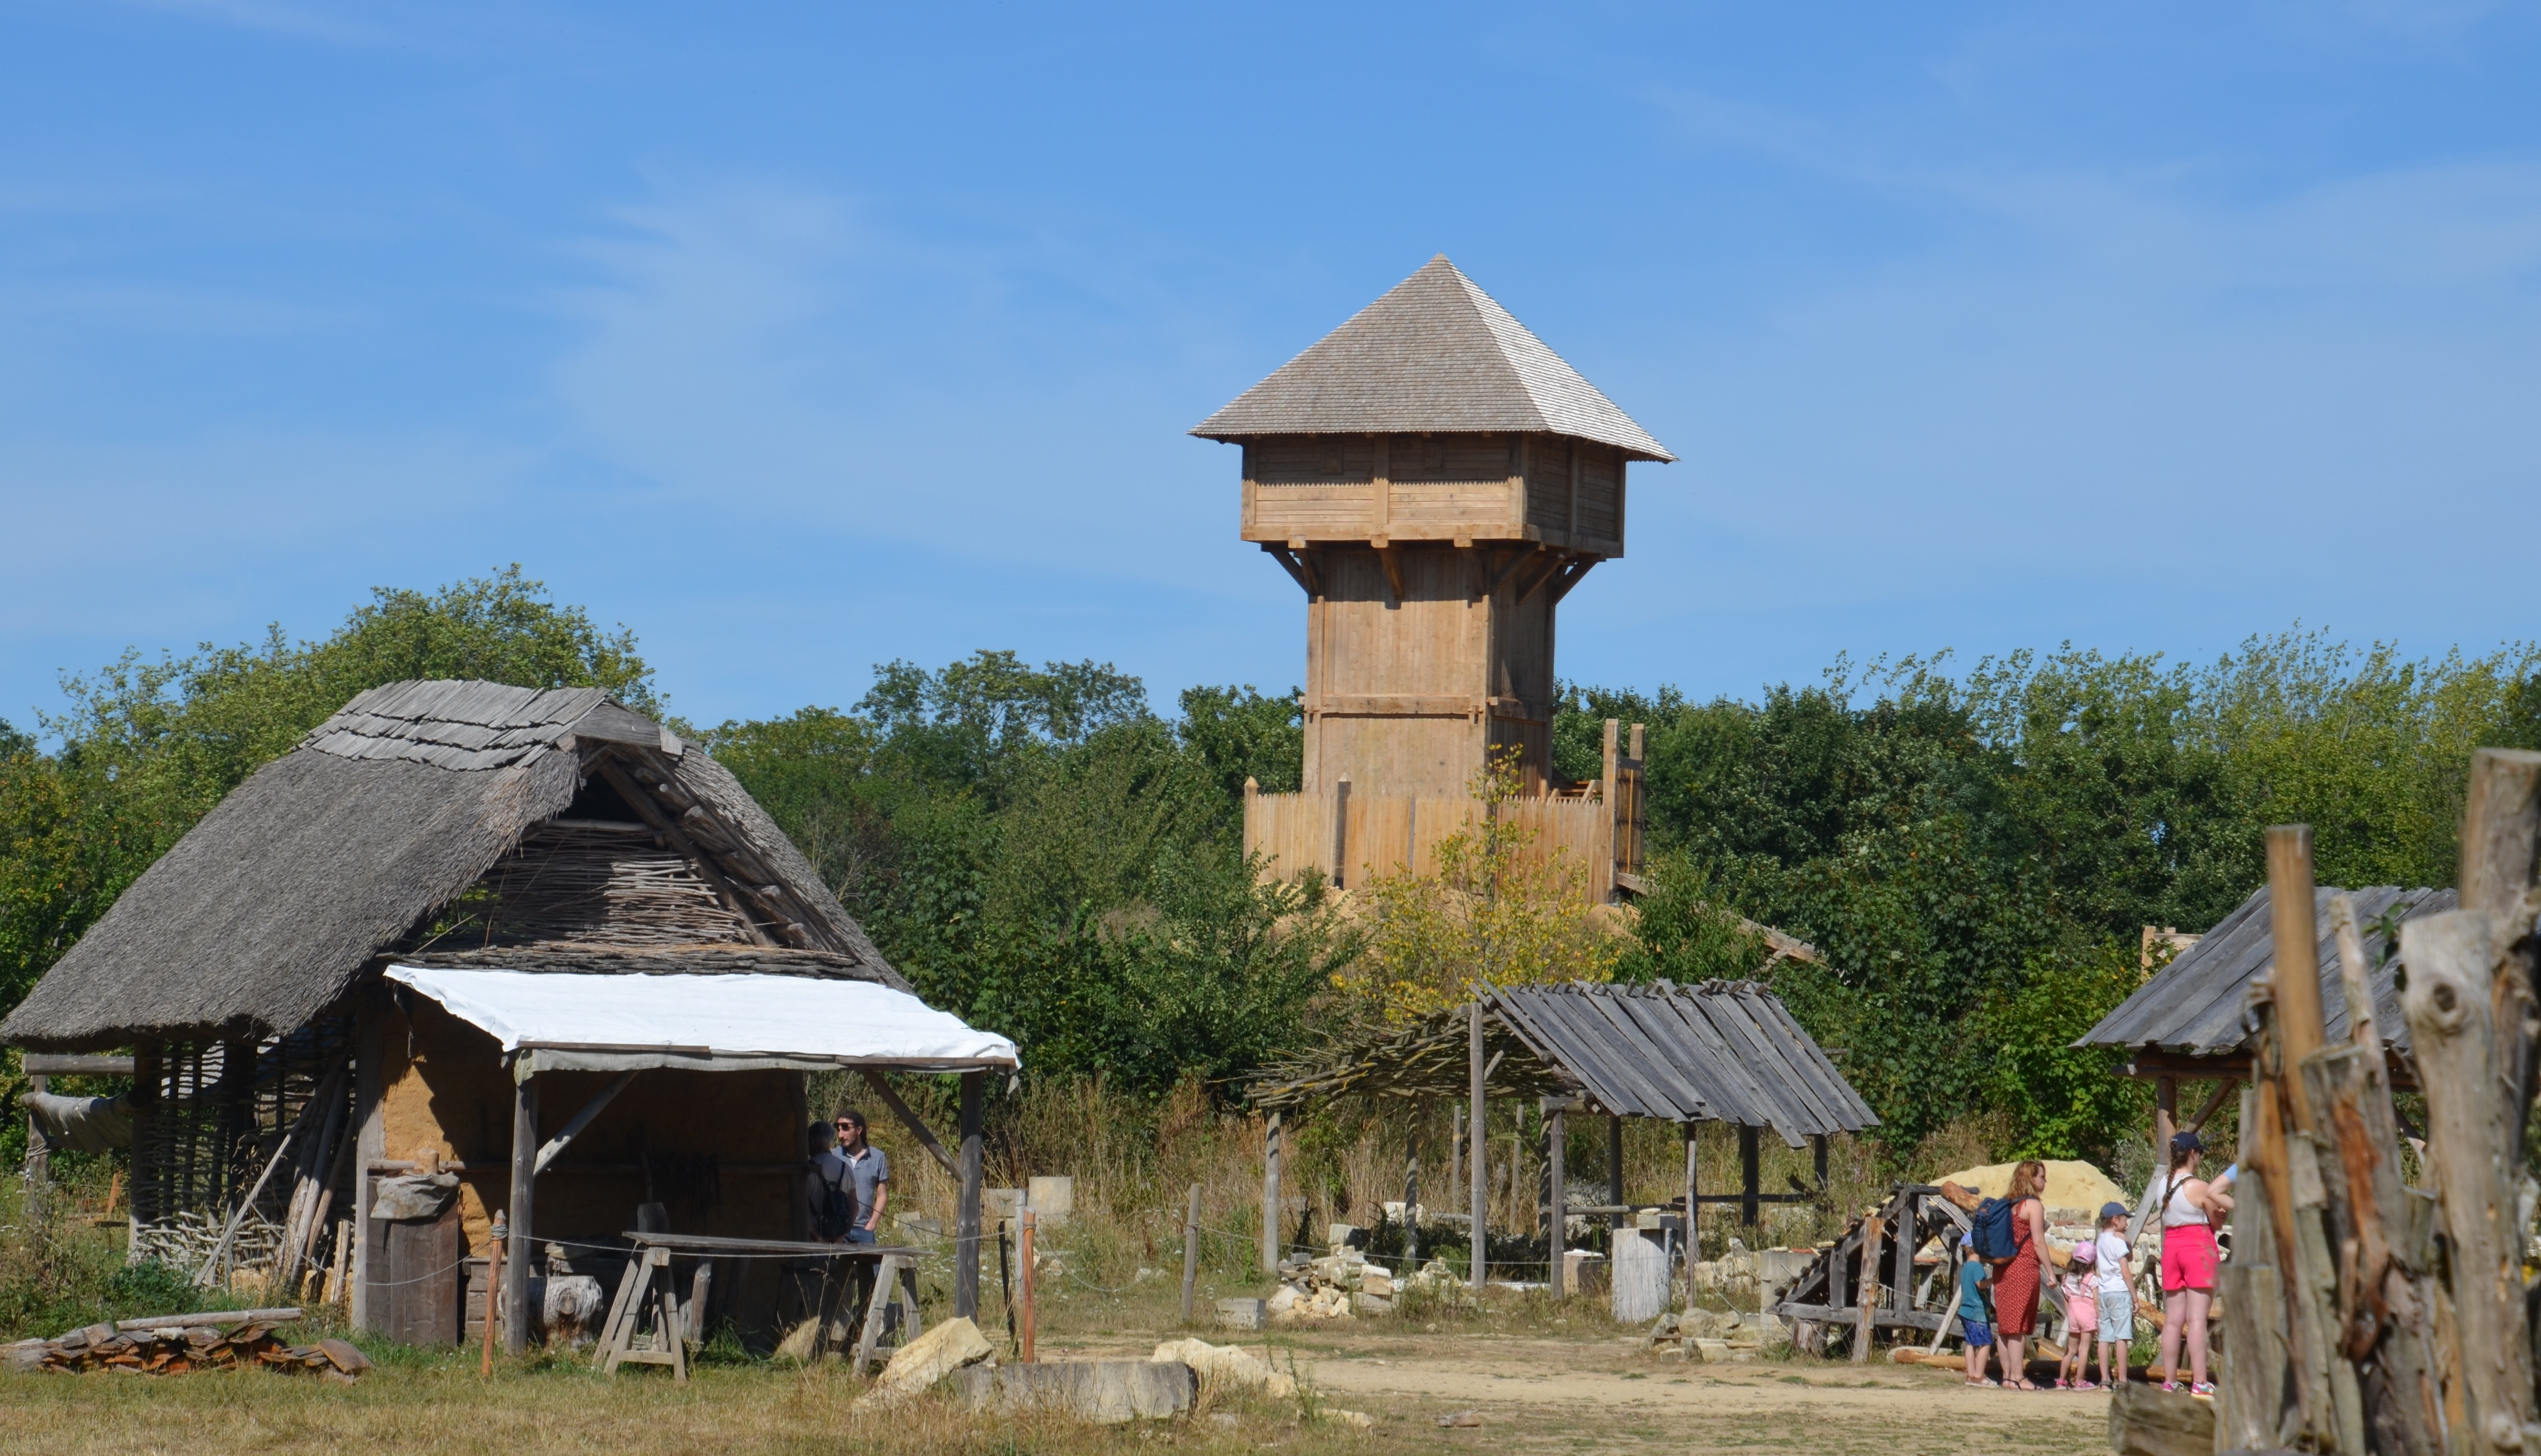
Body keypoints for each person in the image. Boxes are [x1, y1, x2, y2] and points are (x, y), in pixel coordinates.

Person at [2153, 1131, 2231, 1396]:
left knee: (2173, 1321)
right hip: (2197, 1245)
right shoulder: (2198, 1186)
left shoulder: (2162, 1184)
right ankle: (2199, 1381)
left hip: (2171, 1248)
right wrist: (2220, 1215)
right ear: (2193, 1154)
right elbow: (2217, 1222)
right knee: (2197, 1318)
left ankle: (2170, 1381)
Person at [1989, 1159, 2056, 1390]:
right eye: (2041, 1177)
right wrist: (2050, 1271)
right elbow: (2038, 1242)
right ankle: (2018, 1377)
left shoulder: (2008, 1205)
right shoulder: (2033, 1206)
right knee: (2018, 1327)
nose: (2045, 1182)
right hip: (2023, 1267)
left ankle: (2007, 1377)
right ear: (2031, 1178)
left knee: (2006, 1326)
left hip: (2002, 1268)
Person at [829, 1108, 891, 1243]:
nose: (840, 1134)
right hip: (838, 1230)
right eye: (838, 1129)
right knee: (834, 1265)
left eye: (845, 1128)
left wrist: (872, 1224)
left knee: (873, 1265)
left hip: (865, 1230)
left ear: (859, 1130)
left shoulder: (877, 1157)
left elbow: (882, 1195)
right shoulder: (833, 1156)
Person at [2094, 1201, 2136, 1389]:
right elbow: (2126, 1269)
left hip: (2104, 1292)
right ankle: (2123, 1380)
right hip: (2119, 1291)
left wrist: (2127, 1241)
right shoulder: (2117, 1241)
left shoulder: (2100, 1240)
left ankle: (2104, 1380)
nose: (2127, 1224)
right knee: (2122, 1337)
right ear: (2116, 1220)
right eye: (2125, 1219)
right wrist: (2134, 1297)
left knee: (2105, 1337)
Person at [1958, 1236, 2001, 1388]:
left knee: (1970, 1344)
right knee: (1986, 1343)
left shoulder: (1966, 1267)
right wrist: (1993, 1280)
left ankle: (1971, 1375)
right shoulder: (1977, 1267)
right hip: (1977, 1313)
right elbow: (1980, 1284)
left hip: (1965, 1311)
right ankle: (1979, 1376)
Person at [2056, 1243, 2099, 1390]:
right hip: (2088, 1314)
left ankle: (2061, 1380)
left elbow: (2066, 1297)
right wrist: (2099, 1318)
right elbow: (2096, 1300)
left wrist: (2069, 1315)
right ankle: (2080, 1381)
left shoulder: (2067, 1277)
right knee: (2084, 1350)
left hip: (2073, 1314)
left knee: (2071, 1349)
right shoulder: (2092, 1279)